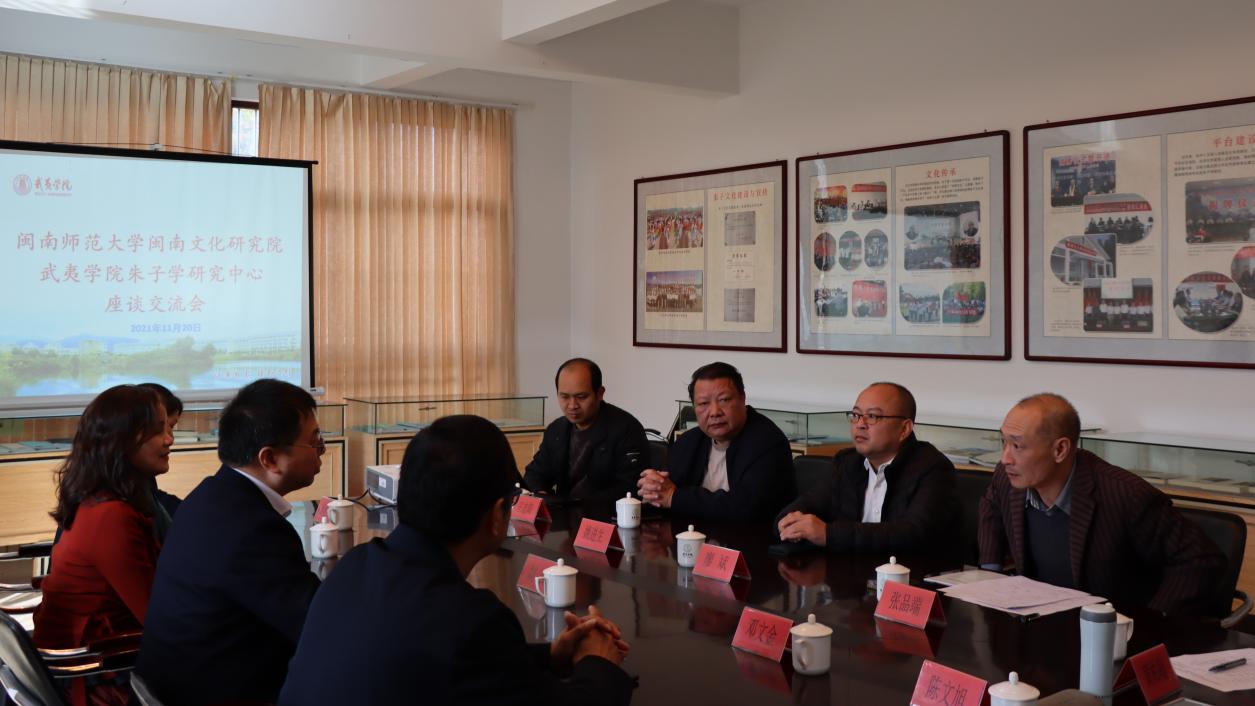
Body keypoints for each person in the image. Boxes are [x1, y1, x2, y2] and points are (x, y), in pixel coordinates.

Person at [279, 415, 634, 706]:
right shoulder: (472, 620)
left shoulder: (355, 566)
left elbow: (443, 661)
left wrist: (550, 657)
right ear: (497, 514)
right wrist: (598, 661)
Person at [137, 379, 324, 705]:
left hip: (174, 687)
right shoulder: (252, 529)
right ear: (270, 459)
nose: (322, 449)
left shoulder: (211, 496)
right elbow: (317, 624)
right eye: (314, 440)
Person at [978, 393, 1224, 615]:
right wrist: (991, 575)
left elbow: (1200, 560)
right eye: (1003, 442)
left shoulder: (1125, 495)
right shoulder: (1006, 478)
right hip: (1042, 622)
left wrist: (1154, 621)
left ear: (1060, 450)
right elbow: (992, 507)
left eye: (1017, 446)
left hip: (1110, 632)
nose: (1005, 458)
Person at [34, 385, 172, 706]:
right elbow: (158, 617)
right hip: (98, 675)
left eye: (169, 429)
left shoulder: (99, 498)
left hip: (89, 662)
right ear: (122, 440)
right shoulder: (112, 516)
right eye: (157, 431)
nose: (169, 439)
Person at [775, 383, 958, 553]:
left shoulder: (932, 469)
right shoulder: (846, 463)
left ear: (904, 429)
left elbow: (913, 534)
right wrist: (788, 524)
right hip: (850, 572)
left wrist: (828, 534)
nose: (860, 424)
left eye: (873, 416)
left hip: (909, 574)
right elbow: (801, 507)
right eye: (856, 415)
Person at [637, 362, 794, 521]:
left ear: (743, 398)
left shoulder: (768, 443)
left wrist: (674, 497)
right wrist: (654, 489)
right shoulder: (688, 442)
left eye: (724, 400)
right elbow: (666, 493)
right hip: (691, 534)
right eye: (703, 403)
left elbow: (747, 507)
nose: (714, 412)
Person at [523, 358, 649, 501]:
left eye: (581, 397)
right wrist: (541, 495)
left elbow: (630, 487)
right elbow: (534, 474)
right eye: (564, 397)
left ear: (600, 393)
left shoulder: (626, 429)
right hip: (563, 511)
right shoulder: (557, 429)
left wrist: (578, 506)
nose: (572, 405)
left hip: (604, 512)